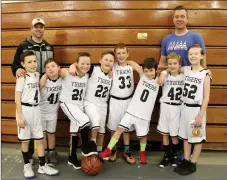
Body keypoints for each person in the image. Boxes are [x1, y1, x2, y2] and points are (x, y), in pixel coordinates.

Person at [99, 57, 159, 164]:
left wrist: (163, 73)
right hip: (132, 110)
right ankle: (108, 150)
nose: (149, 73)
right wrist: (125, 61)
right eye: (146, 71)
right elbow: (134, 64)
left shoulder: (159, 80)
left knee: (143, 136)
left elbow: (170, 71)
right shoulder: (142, 76)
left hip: (144, 115)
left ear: (156, 70)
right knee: (119, 129)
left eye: (151, 71)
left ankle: (142, 153)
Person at [11, 17, 54, 163]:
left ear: (44, 29)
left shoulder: (49, 47)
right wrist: (17, 70)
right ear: (32, 29)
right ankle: (28, 156)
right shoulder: (23, 45)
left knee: (39, 121)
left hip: (43, 85)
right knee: (27, 122)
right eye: (36, 26)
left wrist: (47, 76)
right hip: (28, 85)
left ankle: (46, 153)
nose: (39, 29)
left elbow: (51, 65)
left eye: (41, 26)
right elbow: (15, 65)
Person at [15, 51, 58, 179]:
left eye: (34, 61)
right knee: (25, 141)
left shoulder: (37, 74)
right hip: (25, 110)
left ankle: (42, 165)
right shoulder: (22, 78)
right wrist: (20, 116)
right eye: (29, 62)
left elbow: (47, 76)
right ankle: (27, 165)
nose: (33, 64)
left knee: (40, 139)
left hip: (36, 110)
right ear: (22, 64)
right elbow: (17, 98)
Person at [173, 44, 211, 175]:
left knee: (197, 138)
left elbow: (206, 97)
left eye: (196, 53)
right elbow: (172, 68)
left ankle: (193, 163)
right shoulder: (186, 69)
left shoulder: (205, 74)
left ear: (201, 56)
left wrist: (201, 114)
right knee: (185, 137)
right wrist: (164, 73)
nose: (193, 56)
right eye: (190, 54)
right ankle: (186, 160)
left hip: (196, 110)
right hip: (185, 108)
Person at [59, 52, 97, 170]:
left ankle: (72, 157)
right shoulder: (67, 72)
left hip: (78, 105)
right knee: (85, 121)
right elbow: (58, 71)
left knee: (75, 130)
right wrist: (70, 67)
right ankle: (85, 147)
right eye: (82, 63)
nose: (85, 66)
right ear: (76, 63)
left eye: (88, 64)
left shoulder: (87, 75)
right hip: (67, 103)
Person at [106, 43, 141, 164]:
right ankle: (113, 149)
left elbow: (142, 73)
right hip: (115, 100)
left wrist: (134, 63)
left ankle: (127, 151)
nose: (121, 56)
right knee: (113, 127)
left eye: (123, 53)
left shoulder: (131, 66)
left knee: (126, 128)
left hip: (128, 100)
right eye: (118, 53)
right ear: (115, 55)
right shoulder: (112, 66)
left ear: (128, 54)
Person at [157, 52, 184, 168]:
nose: (172, 66)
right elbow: (159, 80)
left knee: (174, 135)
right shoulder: (164, 75)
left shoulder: (184, 76)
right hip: (165, 106)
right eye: (170, 64)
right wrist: (163, 72)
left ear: (180, 64)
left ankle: (175, 155)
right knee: (165, 133)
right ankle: (166, 155)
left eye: (175, 63)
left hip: (177, 107)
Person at [39, 59, 62, 166]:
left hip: (53, 113)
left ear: (58, 68)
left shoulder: (62, 80)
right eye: (47, 67)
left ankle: (51, 153)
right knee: (43, 134)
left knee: (51, 134)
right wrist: (43, 77)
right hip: (41, 112)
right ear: (45, 70)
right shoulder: (42, 81)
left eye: (53, 66)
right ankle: (44, 154)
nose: (50, 69)